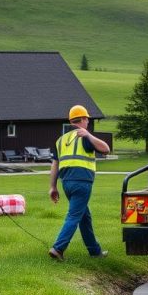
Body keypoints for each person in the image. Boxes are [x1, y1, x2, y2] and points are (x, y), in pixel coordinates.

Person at [48, 105, 111, 261]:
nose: (88, 122)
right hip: (82, 182)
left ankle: (94, 251)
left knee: (84, 216)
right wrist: (89, 135)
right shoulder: (84, 136)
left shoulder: (60, 140)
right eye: (87, 119)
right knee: (74, 215)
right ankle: (58, 248)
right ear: (83, 119)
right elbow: (106, 149)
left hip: (67, 183)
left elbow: (54, 164)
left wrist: (53, 187)